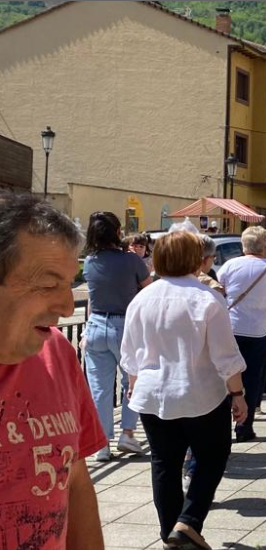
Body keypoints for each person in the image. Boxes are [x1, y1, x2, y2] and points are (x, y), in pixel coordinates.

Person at [120, 231, 248, 550]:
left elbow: (131, 353)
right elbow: (225, 355)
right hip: (200, 392)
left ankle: (170, 533)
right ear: (195, 259)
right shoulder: (207, 298)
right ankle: (188, 522)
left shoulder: (142, 299)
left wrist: (133, 385)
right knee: (212, 456)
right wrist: (237, 394)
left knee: (164, 462)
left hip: (152, 393)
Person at [0, 192, 106, 549]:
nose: (66, 305)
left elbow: (74, 480)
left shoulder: (56, 351)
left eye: (69, 283)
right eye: (48, 284)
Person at [83, 211, 152, 461]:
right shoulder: (131, 260)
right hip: (125, 326)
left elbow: (91, 298)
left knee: (100, 389)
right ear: (117, 232)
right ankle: (127, 433)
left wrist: (86, 329)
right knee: (132, 382)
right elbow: (150, 291)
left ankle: (101, 443)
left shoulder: (89, 261)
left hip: (96, 325)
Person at [217, 227, 266, 442]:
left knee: (226, 376)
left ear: (244, 246)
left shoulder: (230, 265)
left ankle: (222, 426)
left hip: (231, 328)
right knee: (252, 379)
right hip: (260, 331)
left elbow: (218, 293)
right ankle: (244, 426)